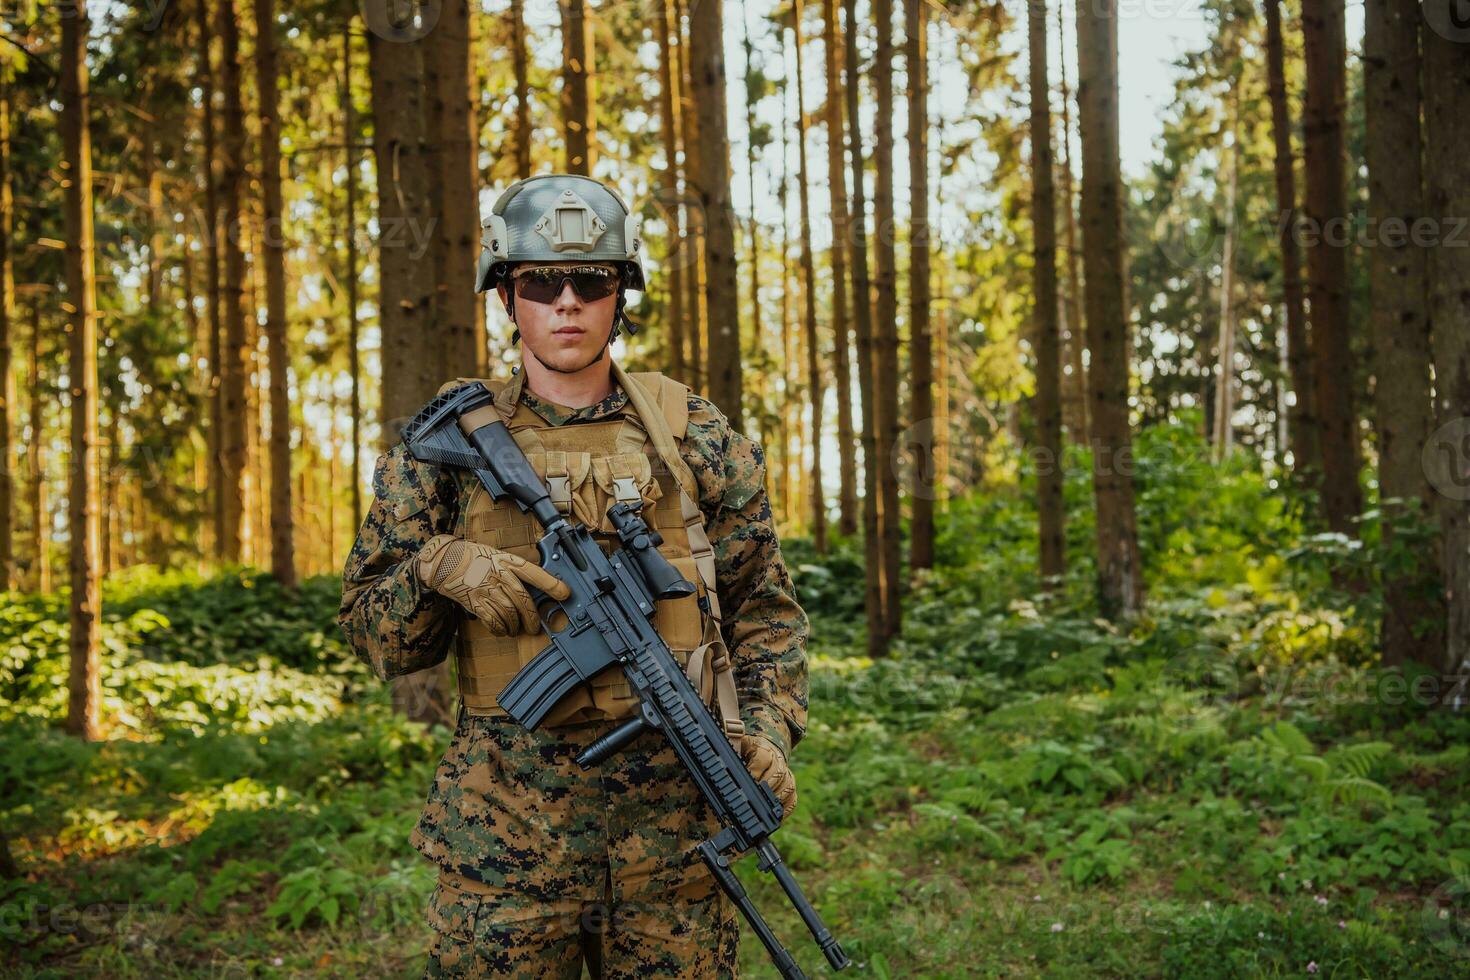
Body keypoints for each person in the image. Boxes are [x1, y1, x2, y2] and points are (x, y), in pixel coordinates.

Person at [338, 173, 808, 978]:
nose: (566, 302)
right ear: (505, 297)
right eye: (539, 282)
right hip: (504, 846)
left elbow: (764, 609)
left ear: (621, 295)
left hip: (678, 846)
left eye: (590, 281)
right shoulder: (444, 447)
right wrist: (434, 565)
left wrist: (767, 731)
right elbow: (377, 638)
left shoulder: (696, 437)